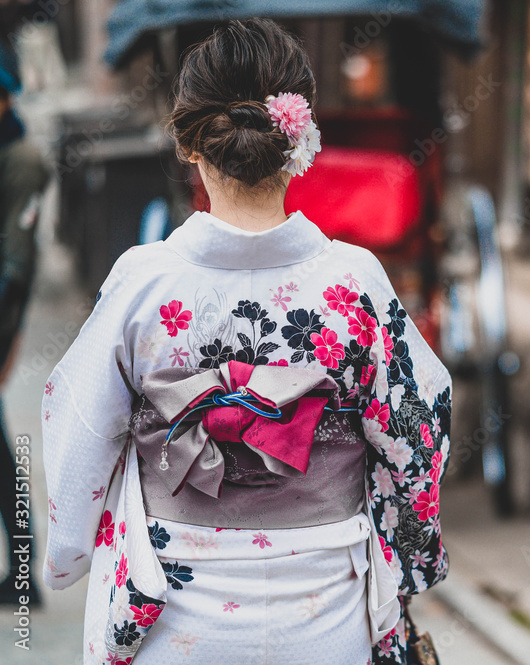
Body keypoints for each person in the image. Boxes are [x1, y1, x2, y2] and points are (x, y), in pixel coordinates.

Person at [40, 19, 451, 665]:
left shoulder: (142, 282)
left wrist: (65, 553)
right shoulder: (356, 282)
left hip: (172, 619)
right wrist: (414, 558)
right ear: (299, 137)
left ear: (187, 144)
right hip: (326, 617)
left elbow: (79, 428)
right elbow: (416, 435)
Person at [0, 39, 50, 606]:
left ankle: (21, 569)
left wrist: (10, 336)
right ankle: (20, 569)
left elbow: (16, 266)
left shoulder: (21, 160)